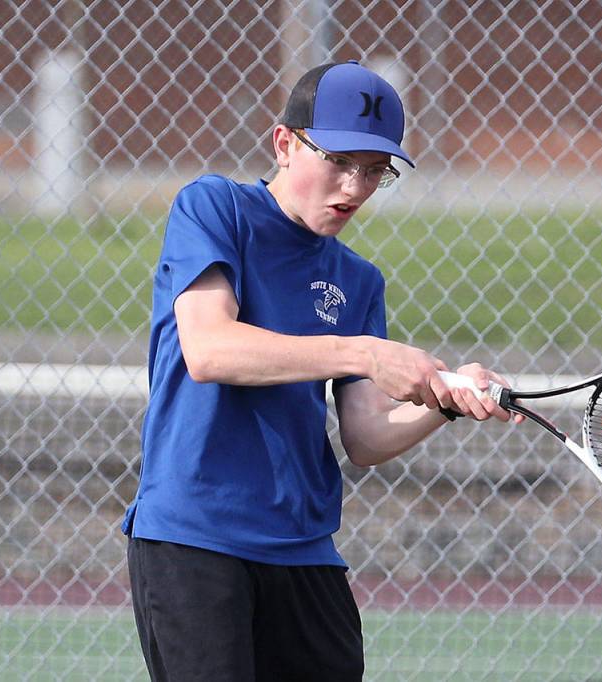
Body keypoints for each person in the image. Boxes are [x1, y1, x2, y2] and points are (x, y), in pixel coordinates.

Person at [122, 60, 518, 681]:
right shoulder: (214, 208)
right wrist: (363, 352)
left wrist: (445, 399)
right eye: (339, 161)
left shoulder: (358, 280)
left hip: (305, 550)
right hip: (195, 539)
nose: (355, 187)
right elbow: (209, 349)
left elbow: (365, 436)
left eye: (375, 170)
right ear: (284, 143)